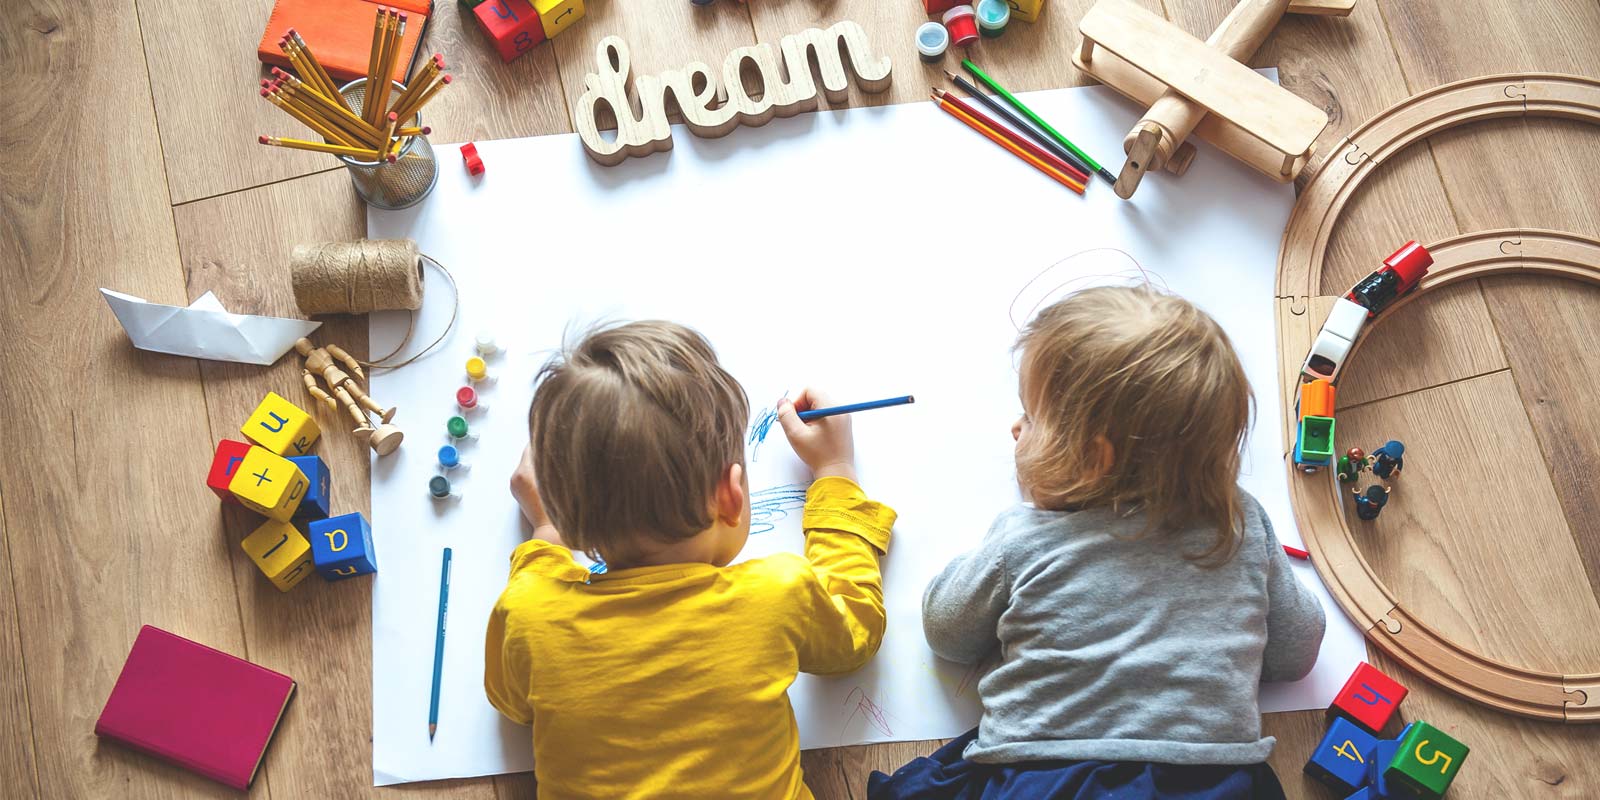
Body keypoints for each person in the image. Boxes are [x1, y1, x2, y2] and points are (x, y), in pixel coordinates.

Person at [871, 285, 1326, 799]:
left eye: (1034, 418)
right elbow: (1296, 653)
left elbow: (946, 632)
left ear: (1093, 460)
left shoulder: (1026, 536)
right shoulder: (1240, 522)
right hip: (1211, 784)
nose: (1017, 427)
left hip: (1048, 778)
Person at [485, 320, 896, 799]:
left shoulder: (531, 615)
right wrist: (835, 471)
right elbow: (855, 633)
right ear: (731, 495)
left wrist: (546, 533)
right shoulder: (775, 593)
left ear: (561, 507)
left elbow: (512, 702)